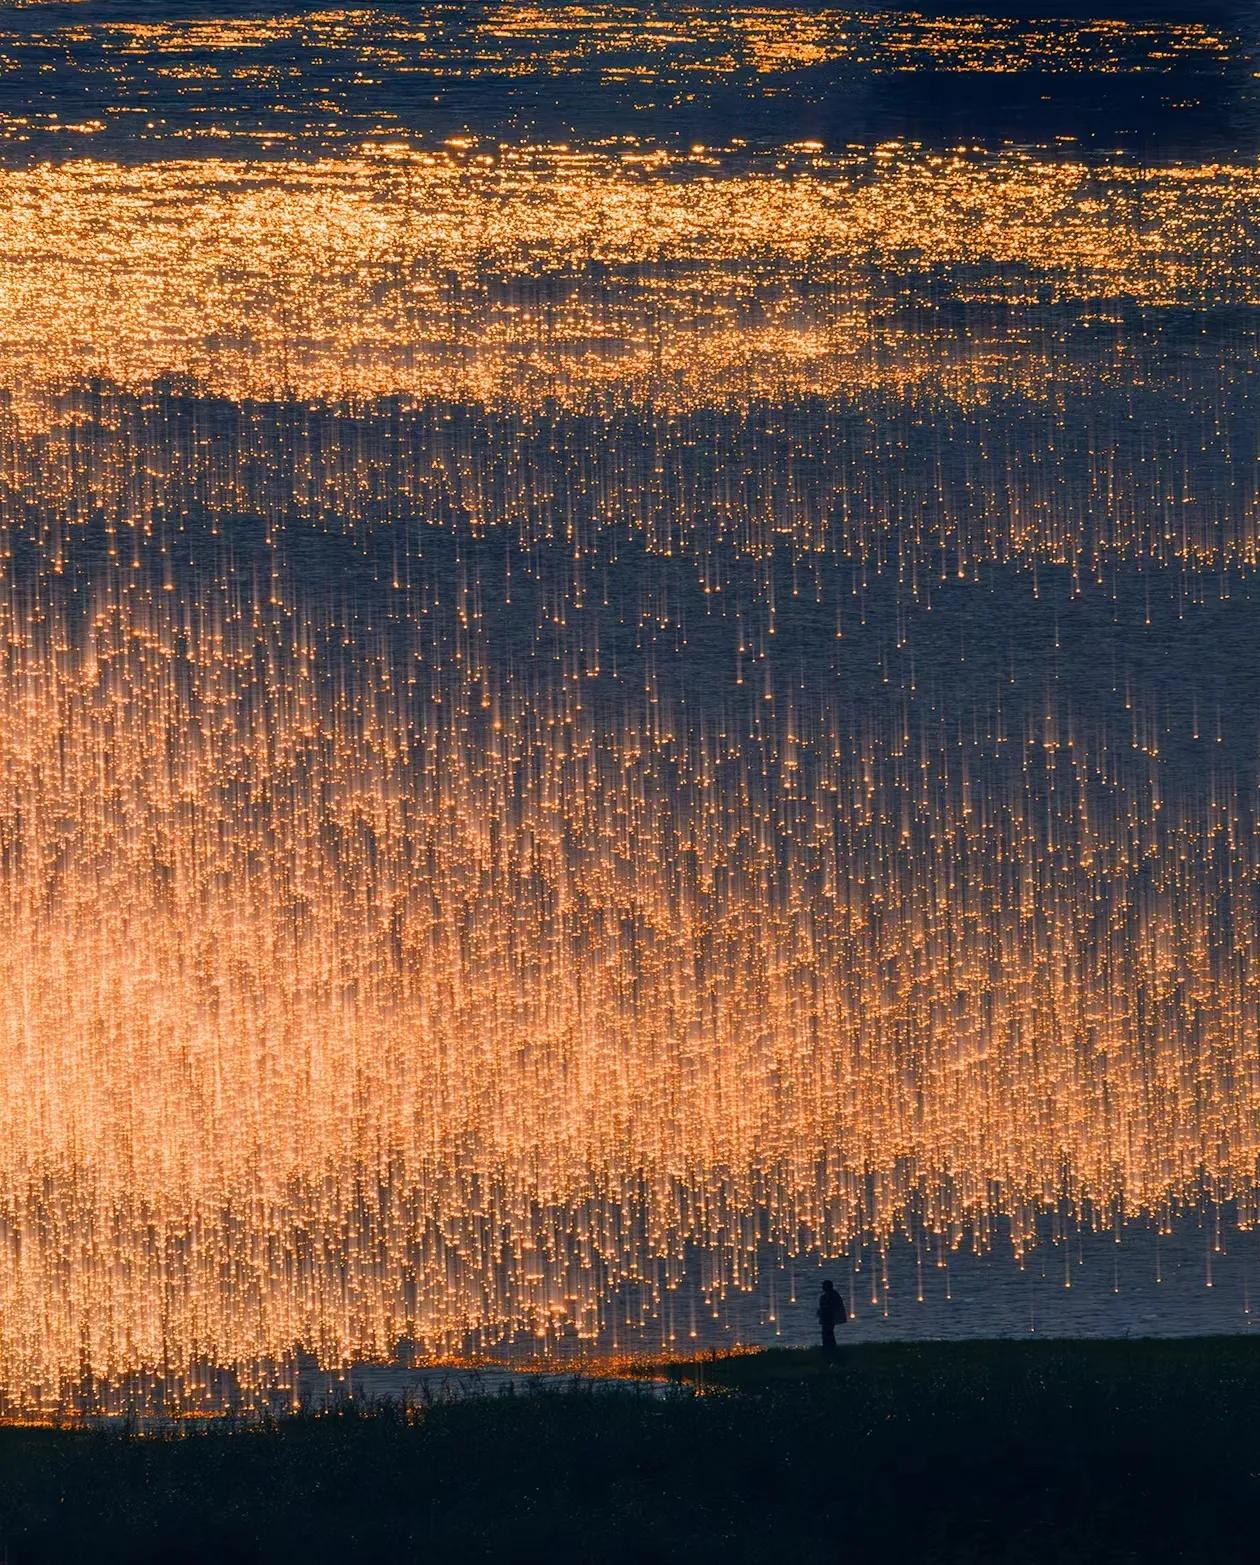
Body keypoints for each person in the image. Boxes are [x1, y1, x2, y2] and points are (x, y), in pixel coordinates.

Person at [818, 1278, 847, 1352]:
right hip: (827, 1317)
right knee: (827, 1333)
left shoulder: (832, 1295)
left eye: (824, 1286)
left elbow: (833, 1306)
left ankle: (830, 1348)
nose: (823, 1288)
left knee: (828, 1333)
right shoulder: (827, 1295)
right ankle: (828, 1348)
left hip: (830, 1317)